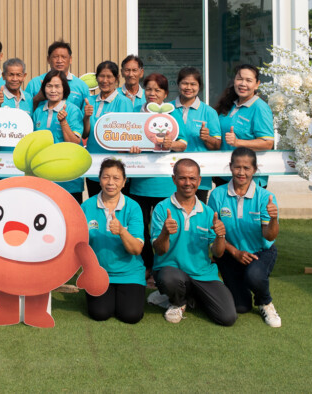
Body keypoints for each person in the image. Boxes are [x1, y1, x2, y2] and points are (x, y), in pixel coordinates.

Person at [150, 158, 236, 326]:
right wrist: (165, 233)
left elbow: (218, 253)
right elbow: (160, 250)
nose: (187, 183)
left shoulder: (208, 212)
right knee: (169, 279)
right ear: (174, 179)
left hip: (202, 274)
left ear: (199, 180)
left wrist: (220, 236)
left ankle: (188, 297)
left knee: (227, 317)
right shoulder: (162, 208)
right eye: (182, 178)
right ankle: (178, 301)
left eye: (192, 178)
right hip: (171, 272)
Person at [207, 148, 281, 327]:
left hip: (260, 252)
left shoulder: (266, 197)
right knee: (241, 306)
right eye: (237, 167)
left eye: (247, 168)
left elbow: (269, 235)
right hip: (230, 254)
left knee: (254, 275)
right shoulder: (217, 194)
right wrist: (235, 252)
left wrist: (273, 219)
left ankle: (265, 302)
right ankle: (244, 285)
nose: (241, 172)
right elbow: (213, 233)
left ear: (255, 169)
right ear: (230, 167)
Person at [81, 159, 146, 324]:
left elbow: (136, 250)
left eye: (116, 178)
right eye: (106, 177)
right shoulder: (86, 206)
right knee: (100, 313)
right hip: (98, 273)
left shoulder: (133, 207)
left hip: (130, 273)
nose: (110, 182)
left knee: (131, 315)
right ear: (99, 180)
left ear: (124, 182)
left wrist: (122, 231)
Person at [128, 73, 176, 279]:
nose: (152, 93)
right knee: (141, 228)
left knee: (165, 227)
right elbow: (123, 141)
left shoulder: (171, 115)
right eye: (148, 89)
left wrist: (172, 144)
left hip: (166, 183)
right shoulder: (134, 113)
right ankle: (147, 266)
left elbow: (183, 143)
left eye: (158, 90)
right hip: (140, 184)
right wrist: (129, 148)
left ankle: (165, 267)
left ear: (165, 93)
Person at [168, 67, 222, 202]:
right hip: (170, 173)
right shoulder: (167, 109)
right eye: (185, 83)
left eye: (193, 84)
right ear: (178, 84)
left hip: (198, 176)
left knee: (197, 212)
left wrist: (207, 138)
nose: (188, 87)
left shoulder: (209, 112)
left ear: (199, 87)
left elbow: (217, 145)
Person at [215, 63, 275, 187]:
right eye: (239, 79)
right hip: (225, 174)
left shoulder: (260, 108)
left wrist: (238, 142)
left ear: (257, 84)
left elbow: (267, 143)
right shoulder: (229, 104)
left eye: (248, 80)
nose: (243, 84)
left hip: (249, 179)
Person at [31, 70, 85, 203]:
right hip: (44, 177)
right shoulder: (38, 111)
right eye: (49, 86)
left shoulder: (72, 110)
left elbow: (74, 143)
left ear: (64, 89)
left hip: (68, 179)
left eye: (57, 86)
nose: (53, 90)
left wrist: (63, 122)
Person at [83, 60, 134, 196]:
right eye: (101, 76)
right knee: (96, 204)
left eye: (109, 77)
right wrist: (86, 117)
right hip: (94, 164)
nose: (105, 80)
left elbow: (127, 135)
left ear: (116, 78)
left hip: (115, 168)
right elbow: (85, 134)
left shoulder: (124, 102)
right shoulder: (89, 101)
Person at [25, 40, 91, 109]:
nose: (59, 61)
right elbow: (25, 110)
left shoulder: (81, 86)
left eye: (63, 57)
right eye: (55, 57)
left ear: (70, 59)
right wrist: (37, 98)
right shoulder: (34, 83)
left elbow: (85, 112)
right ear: (48, 59)